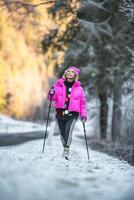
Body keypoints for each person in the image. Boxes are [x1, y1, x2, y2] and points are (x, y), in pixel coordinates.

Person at [48, 66, 88, 160]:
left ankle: (66, 150)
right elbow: (51, 98)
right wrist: (51, 93)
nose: (70, 73)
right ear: (65, 74)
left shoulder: (79, 89)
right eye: (68, 71)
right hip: (60, 113)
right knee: (62, 133)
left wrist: (83, 115)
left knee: (68, 130)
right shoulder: (57, 86)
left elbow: (82, 104)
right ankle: (65, 148)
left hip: (73, 114)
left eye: (72, 72)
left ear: (75, 75)